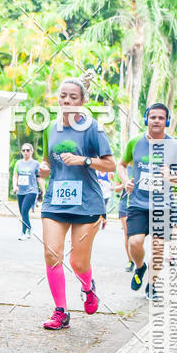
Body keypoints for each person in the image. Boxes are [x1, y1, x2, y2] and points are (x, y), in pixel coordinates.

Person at [39, 75, 115, 330]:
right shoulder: (50, 128)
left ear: (83, 101)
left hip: (87, 203)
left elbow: (110, 164)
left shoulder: (93, 128)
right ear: (57, 98)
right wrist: (43, 169)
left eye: (73, 96)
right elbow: (48, 163)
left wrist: (84, 160)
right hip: (55, 202)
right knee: (52, 254)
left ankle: (88, 287)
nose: (67, 100)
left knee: (78, 263)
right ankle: (61, 311)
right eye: (63, 96)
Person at [117, 103, 177, 300]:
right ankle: (140, 267)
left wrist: (171, 175)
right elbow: (121, 164)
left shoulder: (175, 146)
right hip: (137, 203)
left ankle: (152, 286)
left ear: (166, 121)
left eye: (161, 118)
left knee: (159, 248)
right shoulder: (135, 142)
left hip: (163, 205)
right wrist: (125, 181)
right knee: (135, 242)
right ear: (146, 119)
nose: (157, 121)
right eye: (153, 117)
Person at [12, 143, 41, 239]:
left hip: (31, 191)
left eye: (28, 150)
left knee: (24, 210)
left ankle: (24, 233)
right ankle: (29, 228)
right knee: (22, 212)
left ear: (31, 151)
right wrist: (15, 186)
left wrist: (44, 190)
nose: (25, 152)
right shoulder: (18, 163)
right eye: (23, 150)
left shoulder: (36, 163)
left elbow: (39, 178)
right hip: (20, 191)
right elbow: (15, 176)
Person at [113, 167, 133, 270]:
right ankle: (130, 261)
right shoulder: (122, 168)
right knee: (128, 233)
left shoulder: (143, 165)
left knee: (137, 237)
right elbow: (115, 188)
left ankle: (139, 257)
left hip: (140, 205)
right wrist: (125, 184)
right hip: (125, 205)